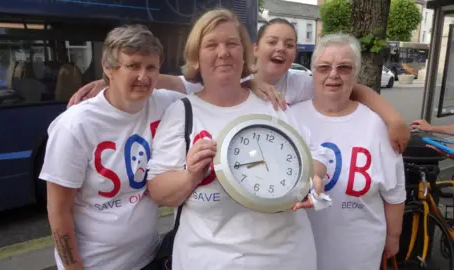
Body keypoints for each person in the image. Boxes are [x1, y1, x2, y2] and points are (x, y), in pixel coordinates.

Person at [146, 8, 328, 270]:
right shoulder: (181, 112)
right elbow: (158, 191)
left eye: (232, 43)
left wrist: (314, 179)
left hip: (287, 257)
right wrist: (191, 176)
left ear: (245, 52)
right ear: (196, 56)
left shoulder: (272, 104)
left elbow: (315, 155)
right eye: (211, 45)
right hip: (209, 259)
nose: (224, 52)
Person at [68, 19, 410, 154]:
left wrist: (392, 119)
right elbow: (178, 81)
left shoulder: (304, 83)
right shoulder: (230, 82)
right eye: (273, 41)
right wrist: (109, 78)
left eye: (290, 44)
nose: (282, 49)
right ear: (256, 49)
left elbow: (353, 89)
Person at [39, 25, 185, 270]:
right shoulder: (75, 126)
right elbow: (58, 209)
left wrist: (257, 86)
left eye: (151, 67)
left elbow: (215, 87)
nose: (144, 77)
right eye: (132, 66)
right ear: (108, 68)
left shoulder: (165, 103)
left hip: (150, 257)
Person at [289, 33, 406, 270]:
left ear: (356, 73)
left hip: (359, 252)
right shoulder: (290, 117)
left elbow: (394, 191)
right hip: (299, 249)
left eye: (344, 67)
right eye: (324, 67)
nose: (333, 74)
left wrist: (393, 237)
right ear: (313, 72)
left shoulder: (377, 126)